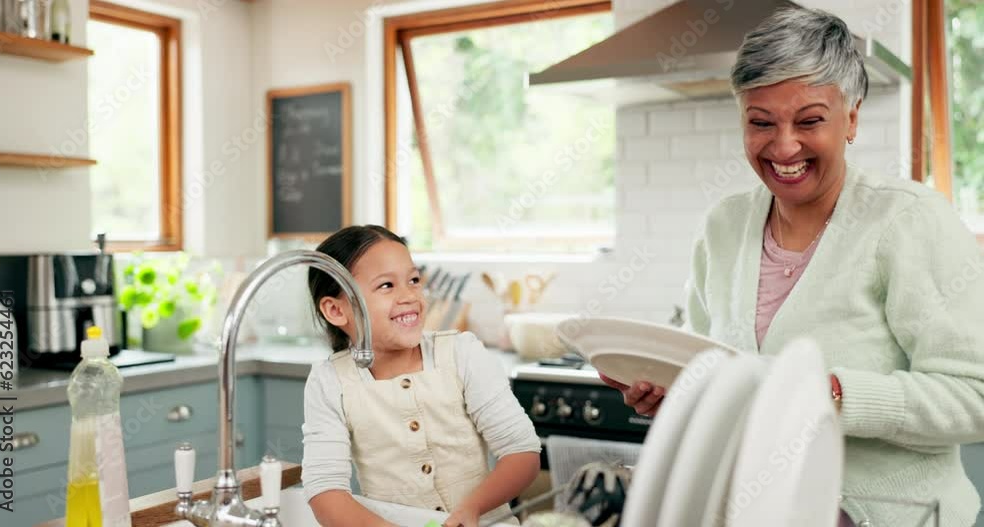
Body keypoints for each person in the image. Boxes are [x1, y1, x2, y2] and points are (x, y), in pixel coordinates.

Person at [603, 6, 984, 526]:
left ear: (851, 117)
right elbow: (711, 365)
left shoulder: (908, 220)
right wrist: (677, 392)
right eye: (760, 123)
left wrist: (831, 394)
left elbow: (975, 395)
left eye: (809, 121)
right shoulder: (724, 225)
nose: (784, 147)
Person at [301, 225, 541, 527]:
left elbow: (522, 453)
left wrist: (473, 508)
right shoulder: (330, 382)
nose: (409, 296)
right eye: (386, 286)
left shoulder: (461, 353)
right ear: (336, 310)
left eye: (413, 280)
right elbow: (325, 491)